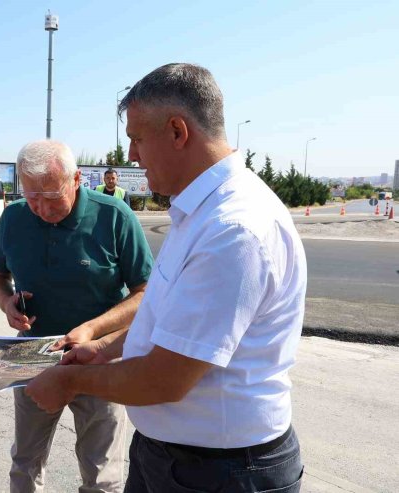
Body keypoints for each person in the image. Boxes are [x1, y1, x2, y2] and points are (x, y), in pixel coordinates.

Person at [26, 63, 306, 492]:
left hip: (221, 471)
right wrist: (102, 348)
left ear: (178, 132)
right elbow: (166, 318)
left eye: (137, 139)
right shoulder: (200, 211)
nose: (131, 155)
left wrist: (69, 381)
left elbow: (165, 378)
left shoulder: (234, 229)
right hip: (177, 457)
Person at [0, 140, 153, 493]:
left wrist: (93, 329)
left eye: (51, 197)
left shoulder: (115, 216)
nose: (42, 209)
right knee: (25, 463)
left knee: (101, 473)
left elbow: (146, 293)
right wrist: (6, 302)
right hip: (33, 356)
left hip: (99, 359)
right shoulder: (15, 218)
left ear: (77, 179)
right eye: (32, 198)